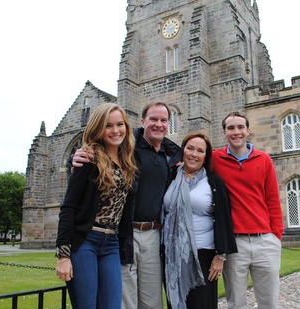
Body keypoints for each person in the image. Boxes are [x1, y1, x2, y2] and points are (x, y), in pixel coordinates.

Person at [72, 102, 182, 308]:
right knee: (126, 300)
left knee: (152, 302)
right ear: (142, 122)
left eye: (164, 120)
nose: (159, 124)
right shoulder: (127, 147)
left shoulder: (172, 154)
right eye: (153, 119)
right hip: (124, 234)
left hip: (153, 233)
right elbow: (100, 152)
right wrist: (76, 156)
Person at [55, 103, 137, 308]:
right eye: (108, 125)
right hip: (85, 242)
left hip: (111, 243)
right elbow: (68, 208)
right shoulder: (88, 158)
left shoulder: (127, 162)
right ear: (98, 128)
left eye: (120, 124)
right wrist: (63, 256)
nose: (115, 130)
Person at [212, 111, 284, 309]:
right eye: (231, 128)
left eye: (240, 127)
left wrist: (276, 235)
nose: (236, 132)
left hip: (266, 241)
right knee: (236, 303)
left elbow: (272, 200)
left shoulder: (264, 159)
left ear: (248, 130)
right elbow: (190, 156)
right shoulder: (215, 159)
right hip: (234, 244)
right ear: (224, 132)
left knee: (269, 303)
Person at [162, 131, 237, 309]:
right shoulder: (170, 176)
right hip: (172, 254)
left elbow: (224, 218)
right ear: (183, 151)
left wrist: (221, 256)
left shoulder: (214, 182)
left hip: (202, 255)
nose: (194, 154)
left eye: (200, 151)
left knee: (201, 304)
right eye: (190, 148)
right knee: (176, 303)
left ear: (205, 156)